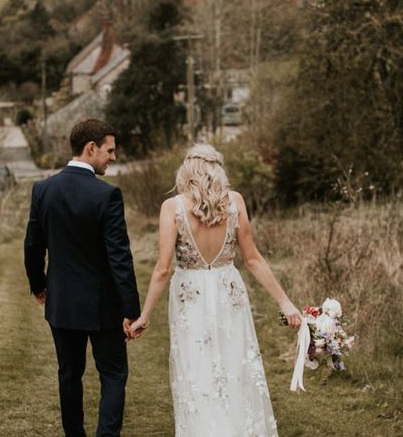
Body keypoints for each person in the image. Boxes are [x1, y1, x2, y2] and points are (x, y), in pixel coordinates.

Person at [128, 144, 302, 436]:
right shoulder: (235, 202)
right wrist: (285, 303)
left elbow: (162, 269)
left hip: (189, 294)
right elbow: (253, 259)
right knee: (235, 365)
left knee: (197, 369)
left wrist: (145, 315)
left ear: (187, 171)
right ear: (217, 169)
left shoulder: (173, 207)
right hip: (227, 289)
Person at [24, 118, 140, 437]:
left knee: (69, 375)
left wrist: (39, 284)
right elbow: (120, 259)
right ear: (91, 148)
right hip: (104, 306)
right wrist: (131, 310)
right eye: (110, 150)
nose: (113, 157)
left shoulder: (43, 189)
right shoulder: (107, 196)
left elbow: (33, 245)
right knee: (114, 375)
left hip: (61, 303)